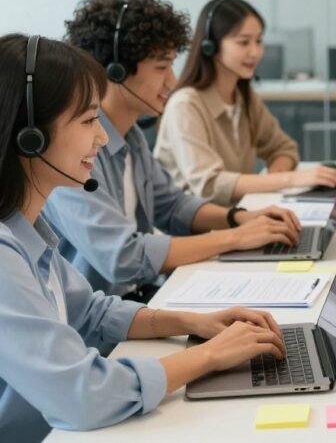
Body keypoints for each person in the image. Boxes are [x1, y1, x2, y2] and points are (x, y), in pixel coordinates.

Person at [0, 34, 287, 443]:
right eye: (86, 122)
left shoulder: (26, 232)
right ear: (31, 136)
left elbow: (90, 314)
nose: (101, 137)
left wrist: (194, 321)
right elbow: (82, 394)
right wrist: (208, 356)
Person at [44, 0, 301, 299]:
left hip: (139, 301)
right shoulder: (74, 152)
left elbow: (172, 206)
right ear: (116, 71)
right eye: (161, 67)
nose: (172, 80)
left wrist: (237, 217)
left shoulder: (132, 136)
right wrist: (235, 237)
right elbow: (123, 258)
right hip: (101, 328)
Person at [154, 0, 336, 206]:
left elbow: (284, 148)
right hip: (196, 231)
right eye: (243, 42)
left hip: (236, 218)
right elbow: (209, 185)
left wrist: (277, 174)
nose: (256, 52)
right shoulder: (186, 105)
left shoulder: (244, 97)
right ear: (211, 46)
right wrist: (290, 179)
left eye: (259, 41)